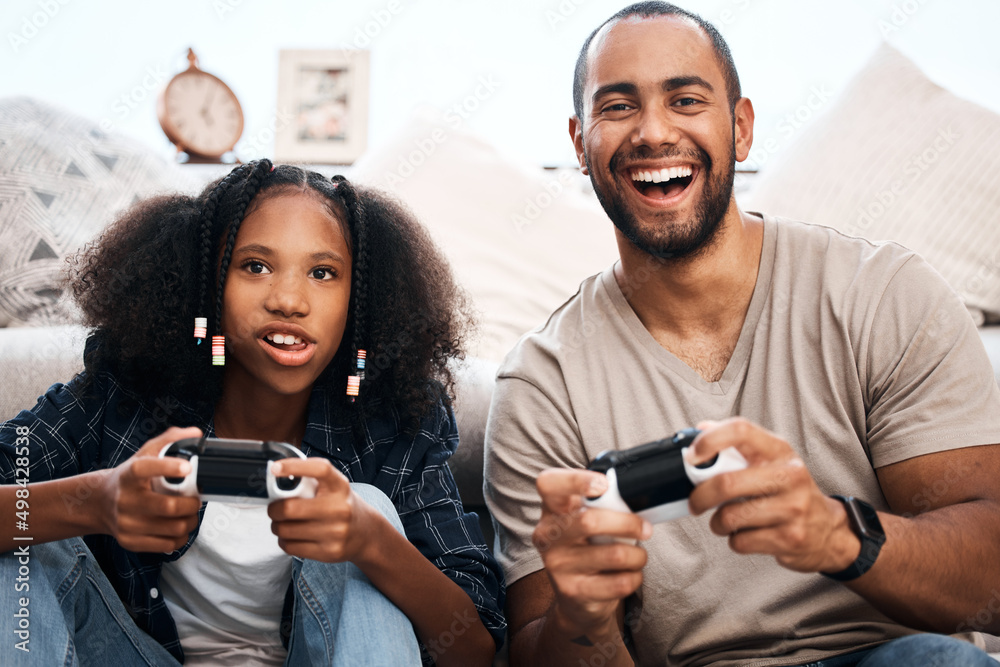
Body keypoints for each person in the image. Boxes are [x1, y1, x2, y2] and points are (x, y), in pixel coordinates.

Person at [483, 3, 1000, 666]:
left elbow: (989, 579)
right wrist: (584, 617)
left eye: (686, 98)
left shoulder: (884, 293)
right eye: (618, 107)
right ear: (580, 144)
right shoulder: (540, 384)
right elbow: (540, 649)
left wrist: (838, 535)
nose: (653, 131)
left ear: (742, 127)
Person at [0, 160, 505, 666]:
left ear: (360, 301)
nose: (288, 301)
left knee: (369, 506)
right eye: (255, 266)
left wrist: (370, 543)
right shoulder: (126, 389)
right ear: (208, 285)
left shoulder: (394, 425)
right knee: (22, 544)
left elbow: (478, 650)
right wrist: (95, 502)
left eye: (323, 273)